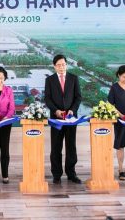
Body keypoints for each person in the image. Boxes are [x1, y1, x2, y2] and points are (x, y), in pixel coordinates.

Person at [44, 54, 82, 184]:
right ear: (54, 66)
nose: (61, 67)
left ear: (66, 65)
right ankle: (56, 174)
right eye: (59, 65)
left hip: (71, 119)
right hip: (56, 119)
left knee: (71, 146)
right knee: (56, 147)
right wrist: (56, 111)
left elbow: (78, 97)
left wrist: (73, 110)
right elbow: (47, 98)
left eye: (64, 64)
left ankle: (71, 173)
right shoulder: (49, 80)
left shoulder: (74, 78)